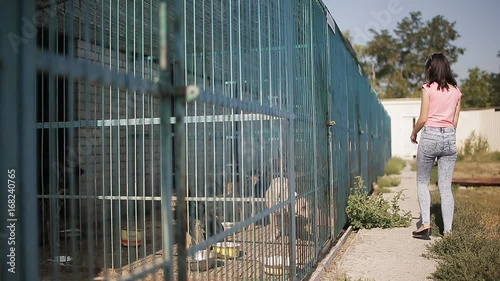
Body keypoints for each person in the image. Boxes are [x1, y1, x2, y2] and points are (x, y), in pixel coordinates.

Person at [410, 52, 462, 239]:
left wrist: (414, 132)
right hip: (449, 137)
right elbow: (455, 121)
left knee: (423, 181)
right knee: (445, 186)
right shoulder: (456, 91)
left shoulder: (428, 88)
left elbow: (423, 118)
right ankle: (447, 232)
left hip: (430, 135)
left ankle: (425, 225)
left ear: (430, 68)